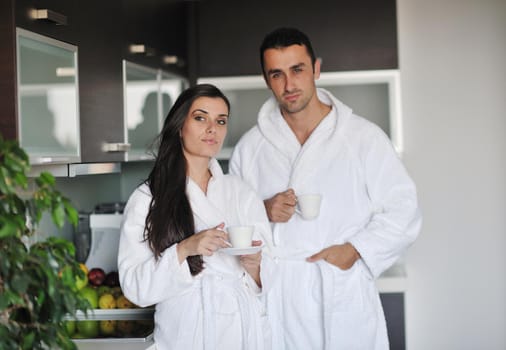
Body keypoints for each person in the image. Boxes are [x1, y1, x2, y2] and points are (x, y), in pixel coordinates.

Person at [229, 27, 422, 349]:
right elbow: (230, 224)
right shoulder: (250, 149)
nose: (289, 85)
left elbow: (405, 209)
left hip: (340, 289)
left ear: (316, 69)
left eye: (297, 70)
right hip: (279, 298)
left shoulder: (363, 137)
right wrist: (261, 210)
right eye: (276, 74)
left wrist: (355, 250)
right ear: (266, 80)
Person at [118, 84, 274, 350]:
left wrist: (255, 267)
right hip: (186, 334)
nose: (212, 128)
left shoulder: (242, 192)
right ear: (180, 126)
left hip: (241, 333)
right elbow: (135, 288)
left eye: (221, 121)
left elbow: (272, 276)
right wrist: (184, 249)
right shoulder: (148, 198)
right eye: (201, 118)